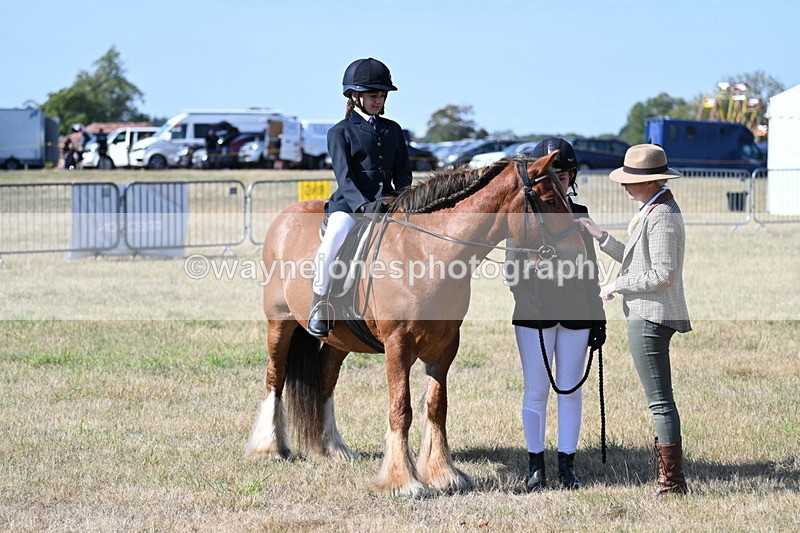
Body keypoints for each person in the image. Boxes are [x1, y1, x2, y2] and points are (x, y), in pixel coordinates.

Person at [577, 143, 691, 495]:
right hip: (646, 313)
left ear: (651, 181)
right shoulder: (653, 208)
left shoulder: (662, 217)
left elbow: (661, 275)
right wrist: (602, 238)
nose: (624, 185)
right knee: (659, 399)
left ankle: (671, 482)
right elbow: (635, 258)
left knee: (659, 401)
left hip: (650, 317)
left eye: (631, 180)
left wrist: (616, 286)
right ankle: (670, 479)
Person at [507, 138, 606, 492]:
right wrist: (532, 289)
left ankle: (568, 465)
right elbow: (511, 271)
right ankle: (536, 466)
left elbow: (591, 269)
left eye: (564, 176)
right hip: (535, 312)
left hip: (577, 310)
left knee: (570, 389)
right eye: (553, 176)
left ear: (573, 176)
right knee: (536, 390)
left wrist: (598, 316)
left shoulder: (579, 214)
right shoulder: (525, 212)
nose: (560, 182)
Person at [307, 57, 412, 337]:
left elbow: (403, 172)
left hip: (388, 204)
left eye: (381, 95)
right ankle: (320, 302)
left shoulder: (393, 130)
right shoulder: (339, 132)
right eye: (372, 95)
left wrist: (401, 197)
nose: (378, 100)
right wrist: (364, 205)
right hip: (351, 206)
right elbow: (345, 177)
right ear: (355, 96)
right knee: (334, 239)